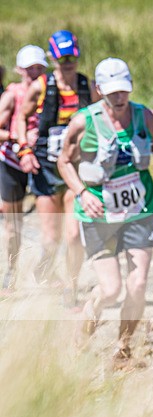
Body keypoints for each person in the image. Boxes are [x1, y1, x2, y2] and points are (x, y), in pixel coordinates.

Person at [57, 57, 153, 367]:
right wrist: (82, 193)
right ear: (99, 90)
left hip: (138, 210)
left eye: (124, 90)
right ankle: (80, 337)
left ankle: (123, 351)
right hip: (98, 214)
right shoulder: (83, 122)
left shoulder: (146, 117)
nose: (119, 97)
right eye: (112, 92)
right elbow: (63, 163)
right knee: (110, 289)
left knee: (137, 285)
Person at [16, 30, 97, 303]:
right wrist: (24, 149)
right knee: (51, 239)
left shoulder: (88, 86)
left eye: (72, 56)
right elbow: (21, 117)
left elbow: (103, 118)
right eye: (62, 58)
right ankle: (43, 272)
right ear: (53, 58)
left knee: (74, 236)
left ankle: (71, 290)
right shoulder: (41, 86)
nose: (68, 62)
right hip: (46, 170)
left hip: (76, 169)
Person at [0, 45, 48, 291]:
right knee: (13, 224)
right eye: (30, 69)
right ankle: (11, 270)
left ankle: (45, 271)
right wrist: (18, 138)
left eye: (40, 68)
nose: (35, 73)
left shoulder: (50, 93)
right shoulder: (12, 95)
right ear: (20, 70)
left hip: (41, 163)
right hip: (12, 164)